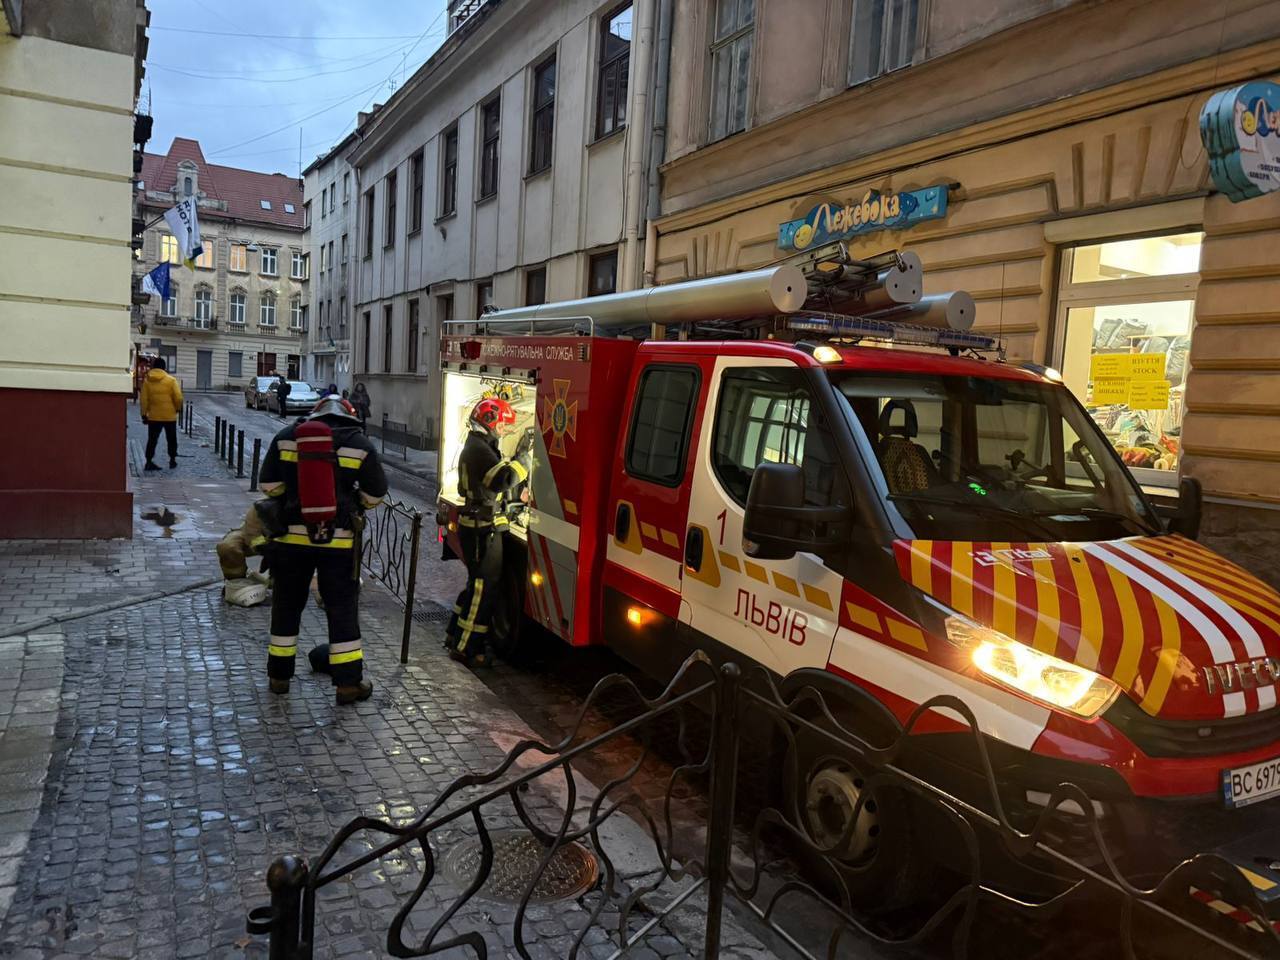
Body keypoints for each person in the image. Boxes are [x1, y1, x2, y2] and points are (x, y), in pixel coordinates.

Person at [257, 395, 388, 704]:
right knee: (341, 608)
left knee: (287, 605)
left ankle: (278, 677)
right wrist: (352, 502)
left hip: (290, 540)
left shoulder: (287, 436)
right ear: (349, 416)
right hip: (338, 542)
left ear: (315, 414)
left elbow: (269, 486)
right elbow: (376, 494)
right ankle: (347, 684)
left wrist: (294, 494)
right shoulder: (360, 444)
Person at [445, 397, 534, 669]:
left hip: (478, 526)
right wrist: (525, 458)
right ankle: (466, 649)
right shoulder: (479, 451)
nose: (505, 430)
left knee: (475, 586)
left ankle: (455, 635)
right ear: (490, 421)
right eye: (504, 425)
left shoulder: (477, 445)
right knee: (483, 591)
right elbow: (502, 480)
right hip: (482, 531)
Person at [140, 357, 183, 471]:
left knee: (152, 439)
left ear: (154, 367)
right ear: (164, 367)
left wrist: (144, 414)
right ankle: (172, 460)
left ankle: (149, 461)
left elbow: (144, 399)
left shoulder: (147, 381)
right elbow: (178, 397)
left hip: (154, 416)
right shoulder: (171, 380)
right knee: (172, 439)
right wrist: (178, 408)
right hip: (169, 416)